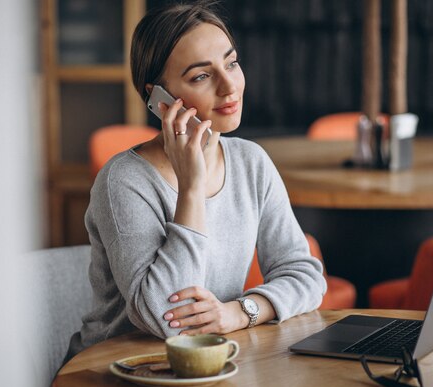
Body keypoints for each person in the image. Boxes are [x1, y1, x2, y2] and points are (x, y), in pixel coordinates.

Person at [65, 1, 326, 359]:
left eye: (231, 63)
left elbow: (306, 276)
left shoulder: (251, 162)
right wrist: (191, 188)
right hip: (119, 375)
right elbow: (167, 320)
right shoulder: (123, 181)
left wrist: (239, 312)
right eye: (201, 76)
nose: (229, 86)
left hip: (208, 365)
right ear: (158, 100)